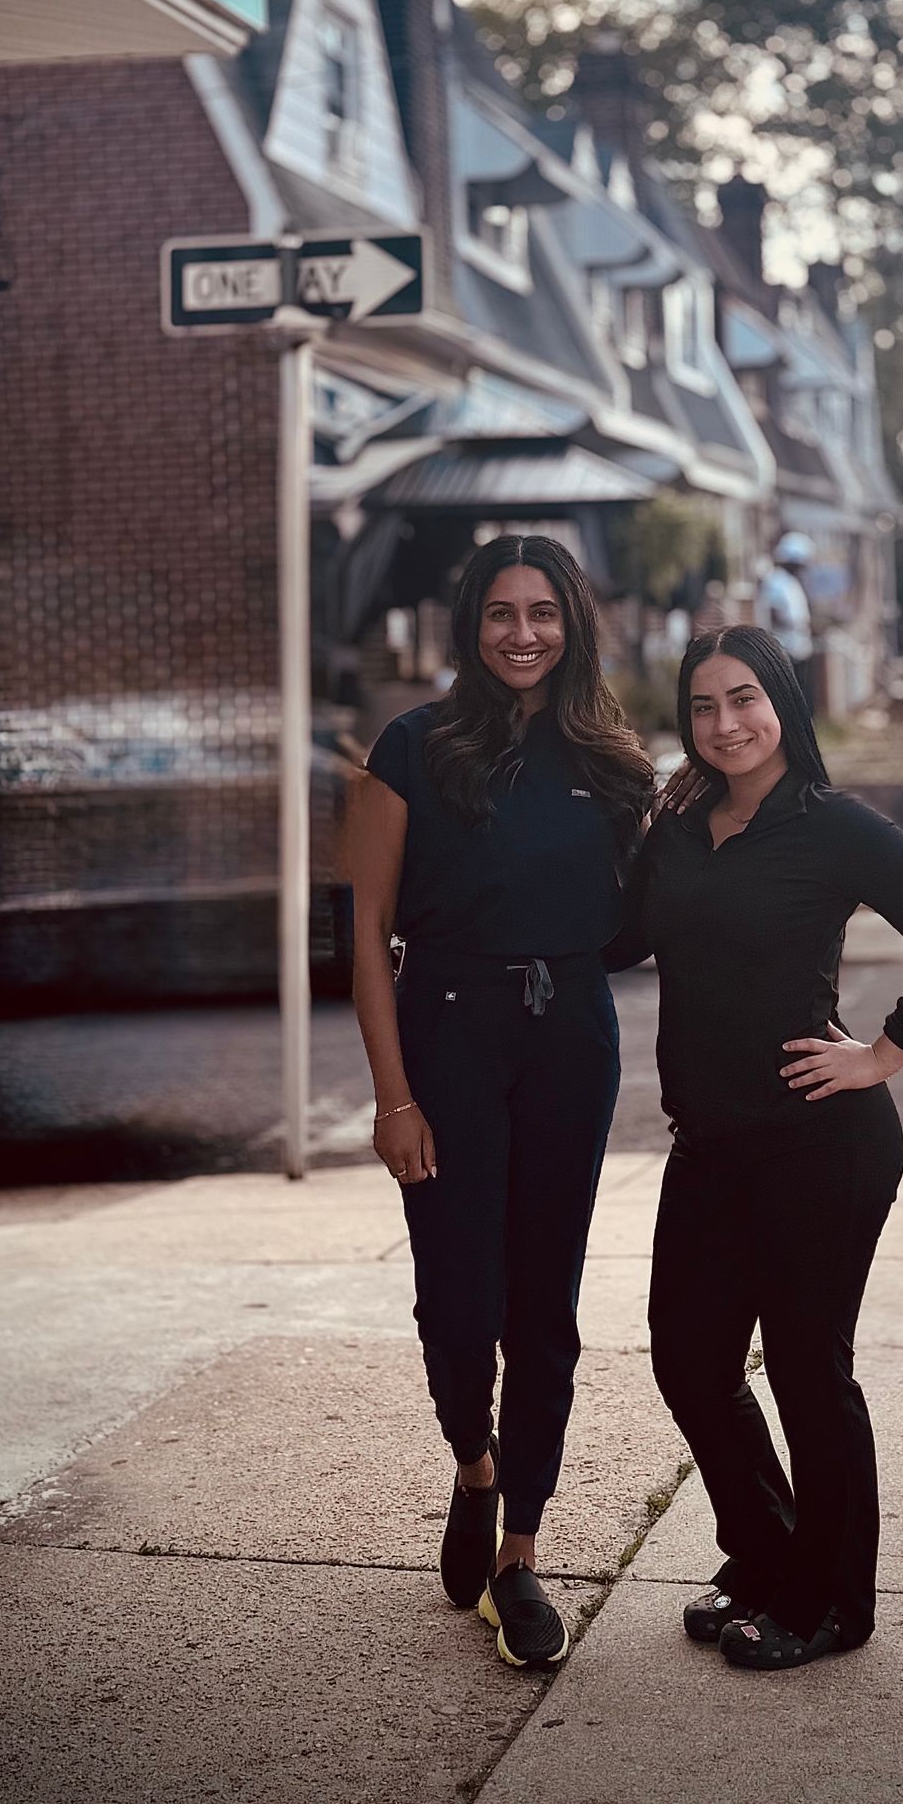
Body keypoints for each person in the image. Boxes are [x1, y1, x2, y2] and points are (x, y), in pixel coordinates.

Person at [610, 626, 903, 1672]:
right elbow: (619, 938)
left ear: (782, 700)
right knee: (690, 1359)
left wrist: (883, 1053)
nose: (725, 724)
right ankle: (771, 1557)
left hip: (824, 1146)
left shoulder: (837, 829)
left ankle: (834, 1603)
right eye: (702, 706)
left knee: (806, 1373)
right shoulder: (682, 825)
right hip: (711, 1143)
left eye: (745, 699)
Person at [351, 533, 654, 1671]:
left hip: (570, 1041)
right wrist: (394, 1098)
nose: (522, 633)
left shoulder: (614, 761)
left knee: (546, 1298)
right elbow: (366, 934)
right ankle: (472, 1465)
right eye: (499, 613)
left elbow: (646, 922)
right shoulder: (414, 747)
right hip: (448, 1035)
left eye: (542, 612)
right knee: (455, 1293)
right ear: (469, 625)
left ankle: (521, 1548)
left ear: (572, 622)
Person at [759, 532, 816, 704]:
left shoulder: (791, 582)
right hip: (785, 650)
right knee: (789, 701)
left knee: (804, 699)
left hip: (799, 648)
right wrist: (797, 625)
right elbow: (774, 615)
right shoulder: (775, 581)